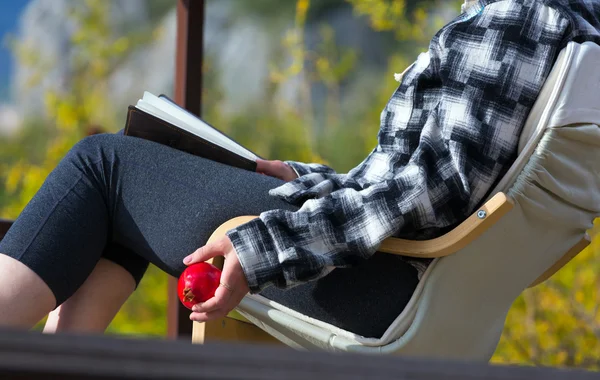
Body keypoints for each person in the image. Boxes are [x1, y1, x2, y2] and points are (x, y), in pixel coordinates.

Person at [0, 0, 599, 339]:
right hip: (420, 290)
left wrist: (267, 245)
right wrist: (295, 175)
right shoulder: (572, 30)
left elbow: (433, 191)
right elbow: (427, 184)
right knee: (129, 189)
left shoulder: (512, 19)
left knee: (103, 166)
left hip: (379, 290)